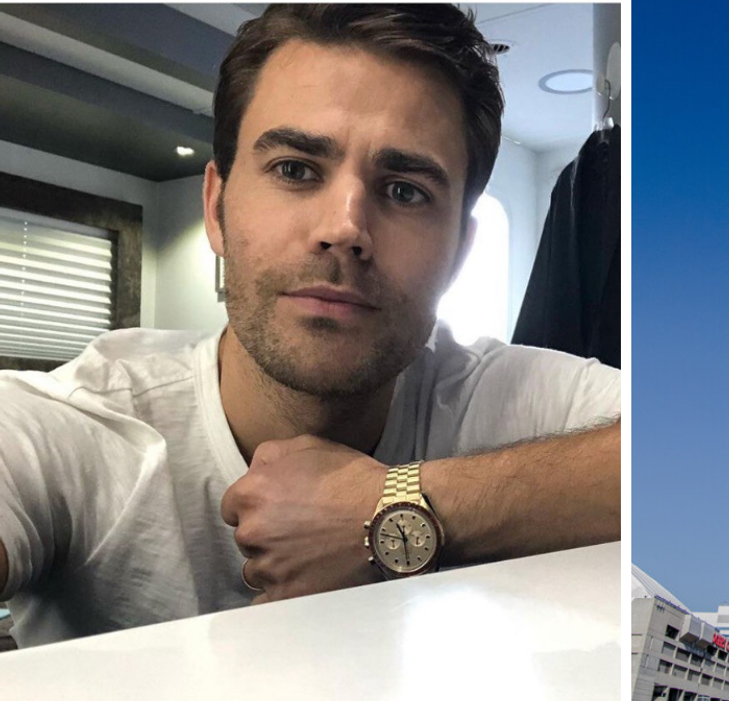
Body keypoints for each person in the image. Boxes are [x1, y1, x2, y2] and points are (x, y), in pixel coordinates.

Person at [0, 4, 621, 648]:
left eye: (405, 190)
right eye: (295, 169)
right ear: (216, 208)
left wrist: (396, 507)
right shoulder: (84, 425)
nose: (345, 228)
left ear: (459, 253)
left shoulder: (504, 400)